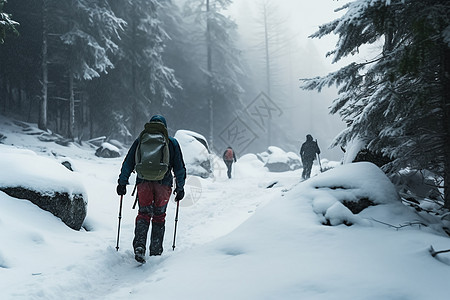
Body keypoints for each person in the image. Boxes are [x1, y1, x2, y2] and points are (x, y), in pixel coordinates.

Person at [116, 115, 186, 263]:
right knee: (159, 216)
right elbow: (179, 167)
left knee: (144, 214)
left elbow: (128, 162)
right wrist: (180, 187)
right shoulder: (172, 142)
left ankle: (140, 247)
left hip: (143, 183)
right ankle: (155, 251)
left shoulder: (141, 140)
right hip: (164, 184)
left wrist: (122, 182)